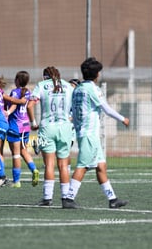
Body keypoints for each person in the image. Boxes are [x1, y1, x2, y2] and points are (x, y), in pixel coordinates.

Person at [62, 57, 129, 209]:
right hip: (89, 134)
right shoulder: (92, 89)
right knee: (83, 166)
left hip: (84, 132)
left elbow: (72, 110)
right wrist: (122, 118)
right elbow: (106, 108)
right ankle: (68, 198)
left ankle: (112, 199)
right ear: (97, 74)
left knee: (101, 166)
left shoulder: (77, 89)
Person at [28, 66, 74, 206]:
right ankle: (66, 198)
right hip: (65, 128)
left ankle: (47, 198)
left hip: (46, 128)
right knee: (63, 165)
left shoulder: (41, 85)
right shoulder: (68, 86)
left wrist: (33, 123)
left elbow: (30, 105)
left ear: (44, 76)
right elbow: (74, 108)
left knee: (49, 164)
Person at [6, 71, 39, 188]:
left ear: (17, 80)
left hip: (15, 126)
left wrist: (5, 99)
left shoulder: (15, 92)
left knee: (15, 154)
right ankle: (34, 169)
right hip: (25, 126)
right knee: (23, 150)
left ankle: (16, 181)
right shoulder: (28, 92)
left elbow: (14, 103)